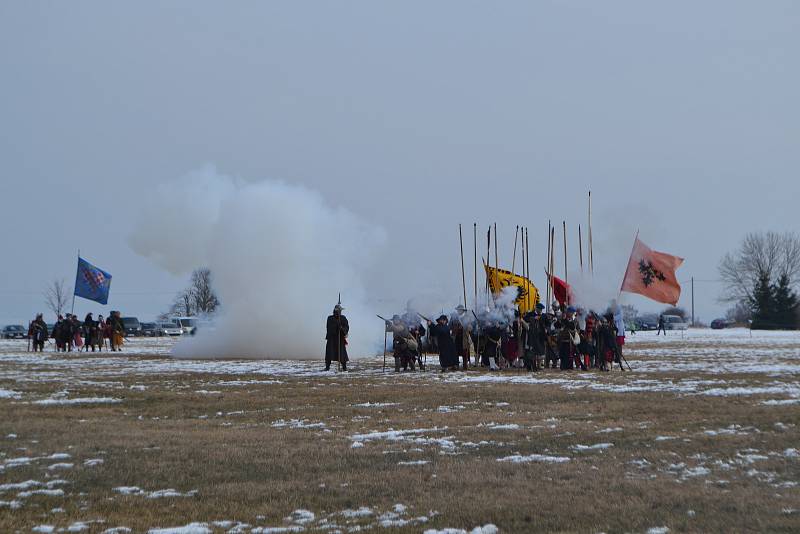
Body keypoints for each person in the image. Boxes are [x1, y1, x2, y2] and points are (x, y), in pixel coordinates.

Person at [325, 303, 349, 371]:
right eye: (338, 311)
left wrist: (342, 328)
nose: (339, 312)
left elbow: (346, 327)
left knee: (342, 353)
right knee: (329, 353)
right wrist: (336, 326)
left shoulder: (343, 318)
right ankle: (327, 367)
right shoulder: (330, 318)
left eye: (340, 311)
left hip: (340, 338)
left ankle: (344, 367)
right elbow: (328, 327)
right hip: (332, 338)